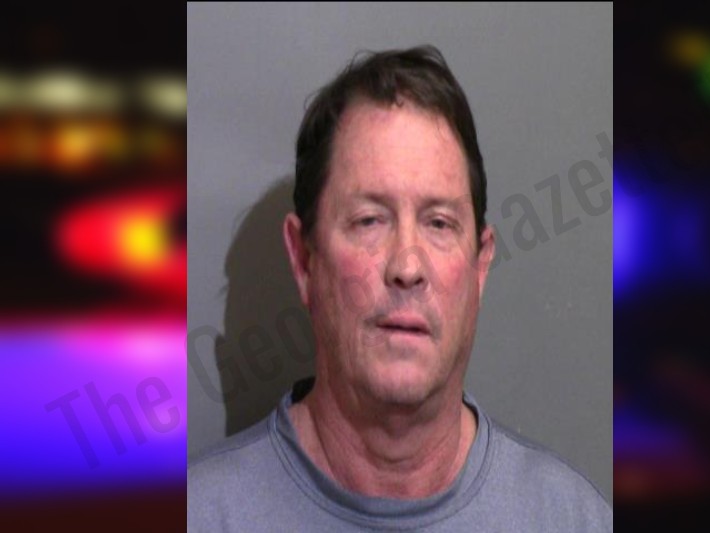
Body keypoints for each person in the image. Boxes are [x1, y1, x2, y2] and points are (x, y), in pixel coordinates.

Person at [188, 44, 611, 532]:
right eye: (369, 220)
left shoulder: (573, 520)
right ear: (304, 261)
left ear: (479, 267)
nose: (407, 266)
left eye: (439, 223)